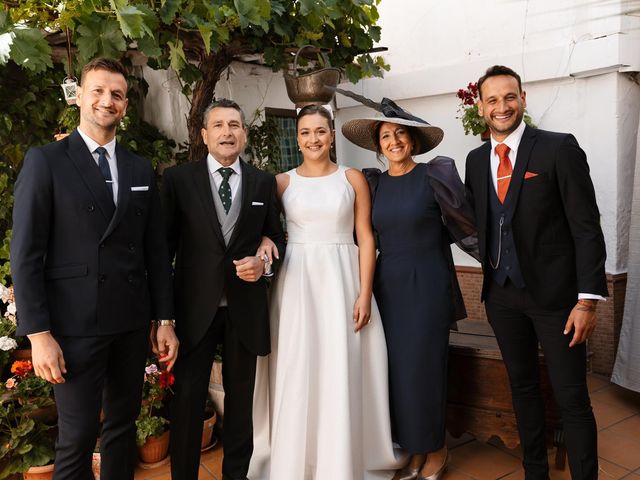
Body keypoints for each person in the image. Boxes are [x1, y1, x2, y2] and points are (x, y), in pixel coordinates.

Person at [11, 57, 178, 480]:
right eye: (99, 91)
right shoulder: (46, 160)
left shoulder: (140, 168)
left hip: (129, 322)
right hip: (73, 327)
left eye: (117, 95)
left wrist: (163, 319)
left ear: (125, 105)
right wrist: (39, 333)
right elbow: (26, 253)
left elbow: (154, 251)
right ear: (80, 97)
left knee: (122, 430)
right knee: (78, 436)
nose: (108, 101)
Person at [464, 65, 608, 480]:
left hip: (557, 302)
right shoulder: (476, 160)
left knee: (571, 398)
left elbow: (585, 226)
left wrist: (587, 300)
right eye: (492, 100)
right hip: (503, 298)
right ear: (480, 107)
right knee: (523, 391)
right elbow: (478, 221)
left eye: (510, 97)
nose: (502, 106)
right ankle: (535, 473)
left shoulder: (558, 149)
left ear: (523, 99)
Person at [249, 104, 404, 480]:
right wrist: (267, 237)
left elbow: (365, 238)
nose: (313, 139)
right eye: (305, 132)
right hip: (297, 283)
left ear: (331, 135)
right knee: (299, 365)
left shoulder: (352, 179)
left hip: (342, 279)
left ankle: (342, 457)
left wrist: (364, 293)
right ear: (297, 138)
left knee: (342, 362)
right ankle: (297, 458)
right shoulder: (282, 183)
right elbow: (265, 230)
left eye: (320, 131)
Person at [342, 100, 474, 480]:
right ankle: (413, 449)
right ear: (378, 146)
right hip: (387, 287)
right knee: (396, 370)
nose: (394, 140)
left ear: (412, 141)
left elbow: (465, 224)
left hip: (427, 283)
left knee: (425, 368)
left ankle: (437, 448)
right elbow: (360, 235)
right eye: (386, 136)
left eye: (400, 133)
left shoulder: (435, 176)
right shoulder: (374, 183)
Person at [163, 98, 285, 480]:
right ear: (204, 134)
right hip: (193, 310)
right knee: (187, 402)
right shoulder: (178, 180)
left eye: (234, 125)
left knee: (240, 404)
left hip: (244, 310)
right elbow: (161, 250)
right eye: (218, 125)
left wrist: (264, 260)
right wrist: (163, 317)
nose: (227, 132)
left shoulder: (264, 182)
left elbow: (276, 238)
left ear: (244, 133)